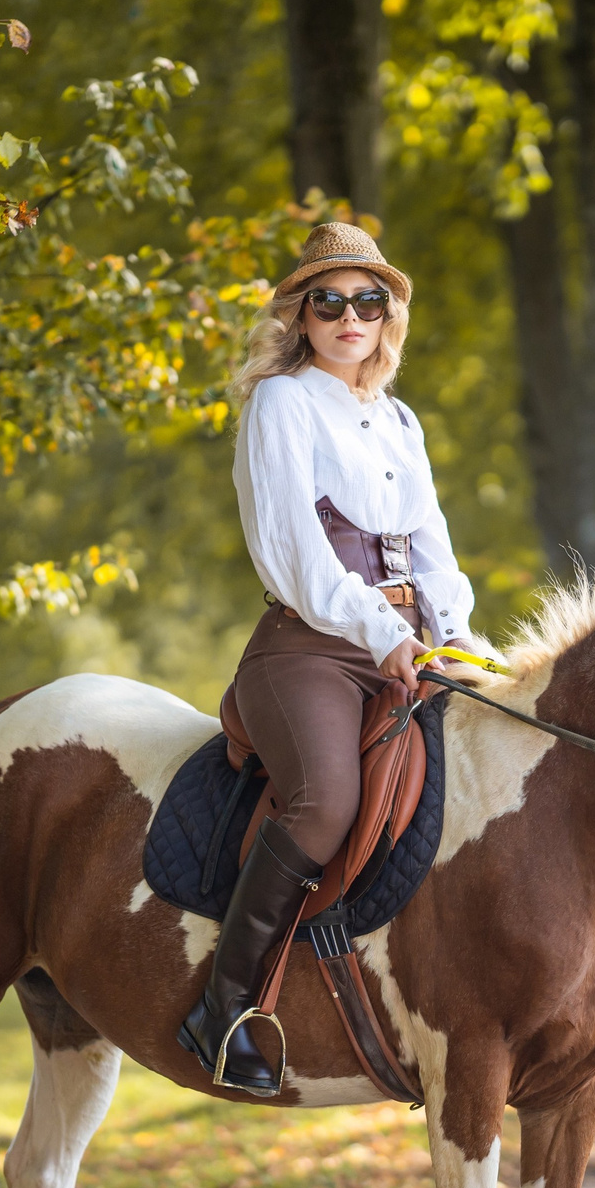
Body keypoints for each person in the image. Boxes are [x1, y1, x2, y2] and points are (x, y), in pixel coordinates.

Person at [177, 222, 489, 1093]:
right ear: (301, 316)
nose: (349, 316)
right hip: (311, 645)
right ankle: (223, 1010)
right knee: (323, 803)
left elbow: (431, 547)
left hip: (408, 641)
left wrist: (457, 636)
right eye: (329, 301)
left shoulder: (397, 418)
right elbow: (300, 554)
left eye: (367, 299)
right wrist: (384, 634)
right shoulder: (282, 402)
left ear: (387, 314)